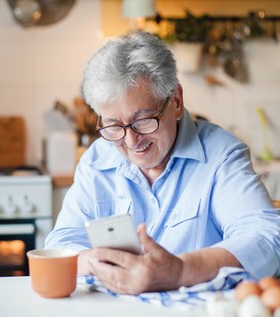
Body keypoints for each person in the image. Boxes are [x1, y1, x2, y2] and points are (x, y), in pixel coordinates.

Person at [45, 31, 280, 294]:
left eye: (144, 120)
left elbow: (267, 239)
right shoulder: (97, 159)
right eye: (113, 125)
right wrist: (97, 261)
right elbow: (62, 243)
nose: (132, 141)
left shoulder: (222, 155)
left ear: (176, 102)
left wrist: (180, 270)